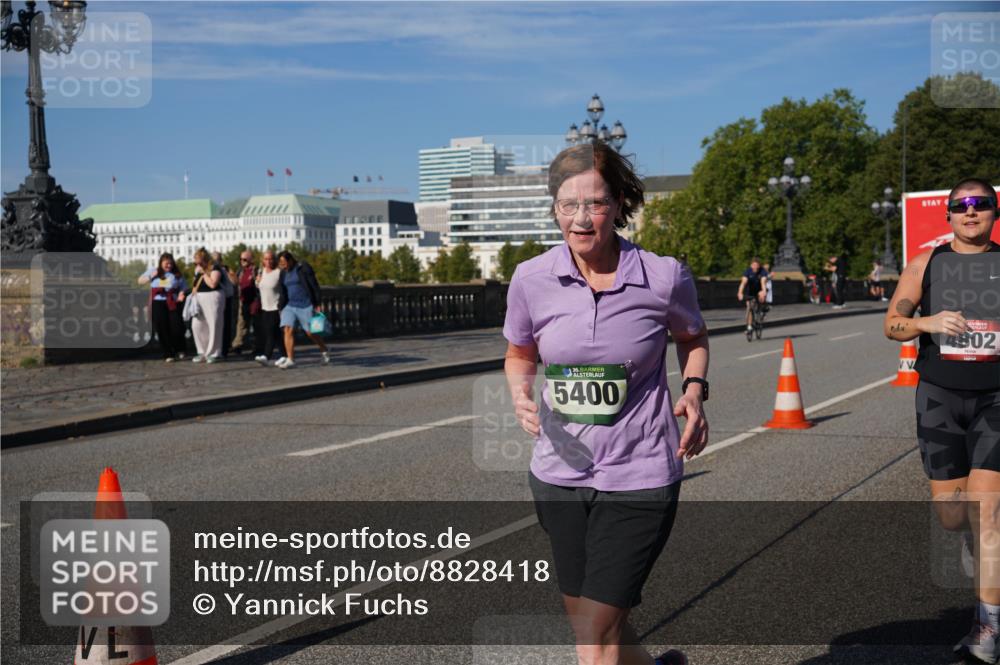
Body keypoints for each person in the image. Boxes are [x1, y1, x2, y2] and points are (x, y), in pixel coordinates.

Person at [504, 142, 709, 665]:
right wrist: (520, 393)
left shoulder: (663, 276)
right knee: (593, 624)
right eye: (567, 205)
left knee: (595, 635)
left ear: (618, 203)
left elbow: (692, 337)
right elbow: (519, 351)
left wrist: (693, 389)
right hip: (559, 473)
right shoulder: (530, 279)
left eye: (594, 203)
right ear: (554, 209)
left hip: (639, 472)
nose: (580, 218)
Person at [884, 177, 1000, 663]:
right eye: (961, 205)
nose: (971, 211)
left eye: (981, 204)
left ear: (994, 212)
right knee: (954, 517)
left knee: (987, 512)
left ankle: (989, 632)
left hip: (996, 400)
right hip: (939, 398)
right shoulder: (925, 263)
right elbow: (892, 324)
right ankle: (979, 543)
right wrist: (925, 323)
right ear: (948, 214)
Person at [276, 250, 330, 369]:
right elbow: (282, 290)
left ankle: (324, 349)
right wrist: (280, 306)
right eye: (280, 263)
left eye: (284, 263)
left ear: (290, 260)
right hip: (290, 305)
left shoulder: (302, 268)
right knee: (287, 329)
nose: (282, 265)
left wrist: (317, 302)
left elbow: (314, 285)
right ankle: (291, 359)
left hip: (305, 304)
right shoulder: (283, 273)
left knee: (310, 332)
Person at [137, 252, 188, 362]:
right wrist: (151, 276)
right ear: (161, 263)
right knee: (162, 327)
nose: (169, 266)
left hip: (172, 301)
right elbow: (140, 281)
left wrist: (181, 294)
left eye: (171, 263)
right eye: (166, 263)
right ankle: (168, 353)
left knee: (176, 326)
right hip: (158, 302)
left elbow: (184, 287)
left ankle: (180, 349)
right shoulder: (153, 271)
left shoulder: (176, 274)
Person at [189, 248, 226, 363]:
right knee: (197, 325)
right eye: (196, 262)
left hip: (213, 297)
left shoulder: (215, 268)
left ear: (205, 260)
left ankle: (214, 353)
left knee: (214, 324)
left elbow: (213, 284)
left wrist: (204, 273)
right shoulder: (197, 269)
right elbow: (195, 284)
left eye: (200, 262)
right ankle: (202, 351)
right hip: (199, 298)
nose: (197, 264)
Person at [254, 250, 283, 365]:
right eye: (266, 259)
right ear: (263, 260)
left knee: (270, 332)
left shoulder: (278, 273)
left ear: (274, 260)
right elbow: (260, 286)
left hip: (275, 307)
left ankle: (266, 356)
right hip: (265, 307)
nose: (268, 261)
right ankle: (284, 355)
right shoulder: (261, 271)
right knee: (276, 334)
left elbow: (283, 289)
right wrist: (257, 282)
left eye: (270, 259)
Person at [232, 250, 260, 355]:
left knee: (256, 324)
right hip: (243, 300)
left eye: (244, 259)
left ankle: (258, 346)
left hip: (254, 300)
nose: (242, 261)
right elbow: (236, 283)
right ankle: (237, 345)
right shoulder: (240, 271)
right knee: (241, 324)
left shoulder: (256, 270)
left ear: (251, 259)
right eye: (241, 259)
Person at [211, 251, 237, 357]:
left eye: (218, 260)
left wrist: (228, 273)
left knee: (226, 323)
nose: (216, 262)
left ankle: (225, 348)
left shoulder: (226, 269)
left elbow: (235, 282)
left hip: (227, 297)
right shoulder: (210, 269)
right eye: (214, 260)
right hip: (215, 299)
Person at [737, 257, 768, 333]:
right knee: (749, 307)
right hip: (750, 291)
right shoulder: (747, 272)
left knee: (761, 298)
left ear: (759, 266)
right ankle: (749, 326)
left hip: (759, 290)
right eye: (753, 265)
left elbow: (763, 282)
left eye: (757, 265)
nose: (755, 267)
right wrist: (740, 293)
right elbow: (743, 283)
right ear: (751, 265)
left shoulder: (762, 271)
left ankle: (762, 310)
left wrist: (763, 292)